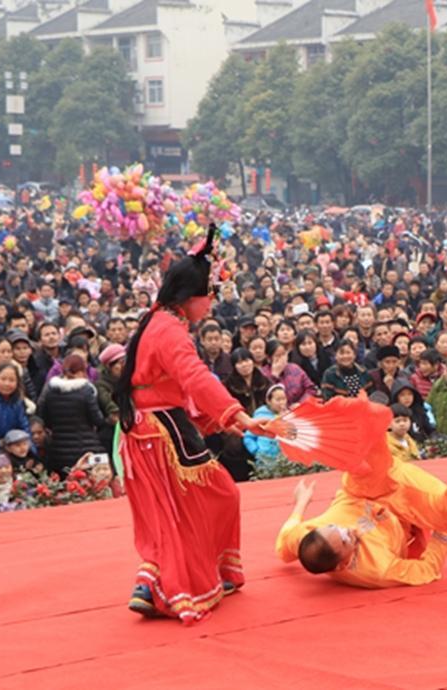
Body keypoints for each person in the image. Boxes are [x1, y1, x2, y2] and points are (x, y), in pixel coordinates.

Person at [113, 225, 269, 624]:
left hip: (150, 427)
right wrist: (236, 413)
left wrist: (221, 420)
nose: (212, 302)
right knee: (217, 496)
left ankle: (152, 579)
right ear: (189, 297)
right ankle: (173, 581)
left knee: (168, 512)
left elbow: (170, 389)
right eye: (209, 294)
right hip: (162, 431)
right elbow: (194, 378)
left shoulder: (157, 321)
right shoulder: (170, 331)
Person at [275, 399, 447, 588]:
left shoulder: (305, 538)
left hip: (362, 490)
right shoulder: (376, 570)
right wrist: (442, 536)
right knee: (443, 515)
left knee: (367, 462)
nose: (346, 531)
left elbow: (284, 544)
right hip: (403, 513)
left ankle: (363, 417)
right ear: (341, 565)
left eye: (335, 528)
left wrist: (301, 503)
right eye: (346, 540)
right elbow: (426, 570)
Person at [38, 353, 107, 476]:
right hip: (87, 447)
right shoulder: (86, 390)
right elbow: (97, 419)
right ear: (81, 371)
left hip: (59, 449)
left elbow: (44, 417)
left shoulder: (51, 390)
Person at [243, 384, 290, 475]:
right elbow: (248, 437)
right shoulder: (260, 417)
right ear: (269, 401)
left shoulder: (290, 416)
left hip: (285, 461)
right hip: (265, 460)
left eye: (283, 399)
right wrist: (256, 451)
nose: (281, 402)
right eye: (278, 400)